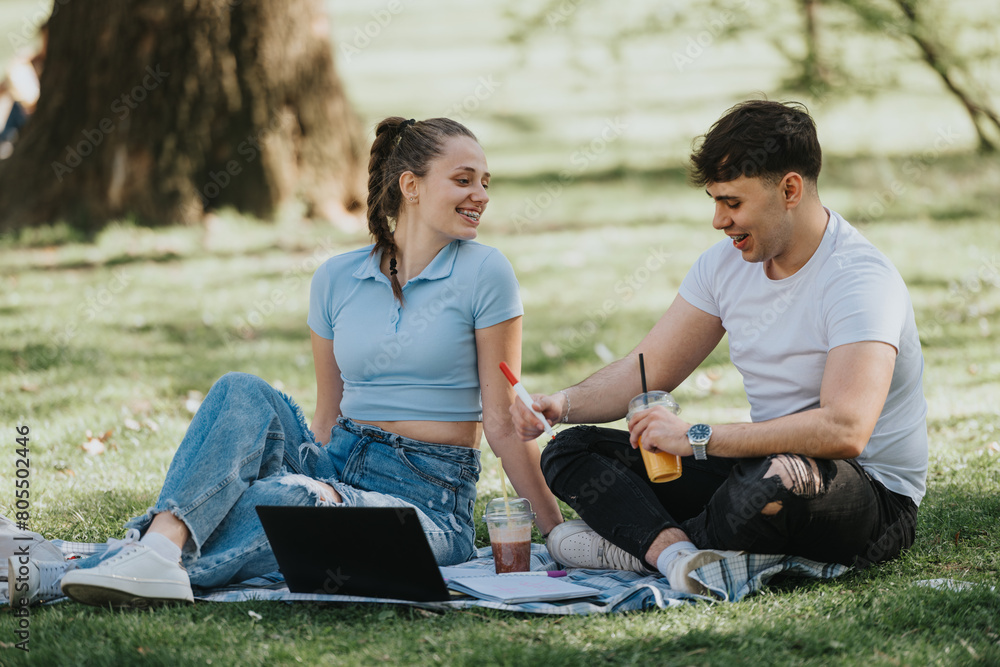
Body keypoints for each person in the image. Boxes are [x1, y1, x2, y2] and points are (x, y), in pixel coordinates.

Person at [8, 116, 562, 608]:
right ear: (410, 187)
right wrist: (324, 481)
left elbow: (500, 421)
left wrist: (555, 533)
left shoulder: (486, 274)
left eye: (485, 182)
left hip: (429, 502)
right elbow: (327, 415)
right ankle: (155, 551)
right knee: (241, 389)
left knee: (279, 501)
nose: (481, 194)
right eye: (464, 179)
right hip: (338, 459)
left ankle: (83, 569)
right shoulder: (337, 278)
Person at [510, 100, 927, 595]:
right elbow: (648, 369)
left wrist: (699, 436)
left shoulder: (859, 279)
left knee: (766, 486)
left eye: (732, 202)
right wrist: (563, 404)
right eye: (714, 201)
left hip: (866, 494)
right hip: (759, 464)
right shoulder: (723, 266)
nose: (718, 220)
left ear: (790, 189)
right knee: (572, 450)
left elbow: (845, 429)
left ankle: (638, 546)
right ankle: (677, 557)